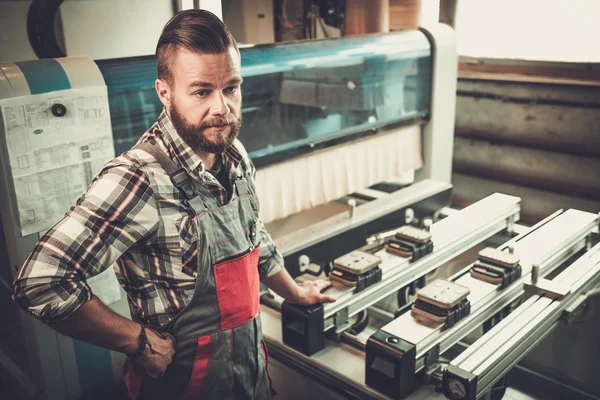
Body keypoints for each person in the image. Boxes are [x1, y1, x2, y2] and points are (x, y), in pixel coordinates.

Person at [13, 9, 335, 400]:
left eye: (231, 88)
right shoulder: (139, 179)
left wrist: (294, 292)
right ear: (165, 93)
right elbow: (40, 282)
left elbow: (254, 240)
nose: (222, 108)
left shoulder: (235, 156)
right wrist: (137, 340)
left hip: (247, 379)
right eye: (202, 91)